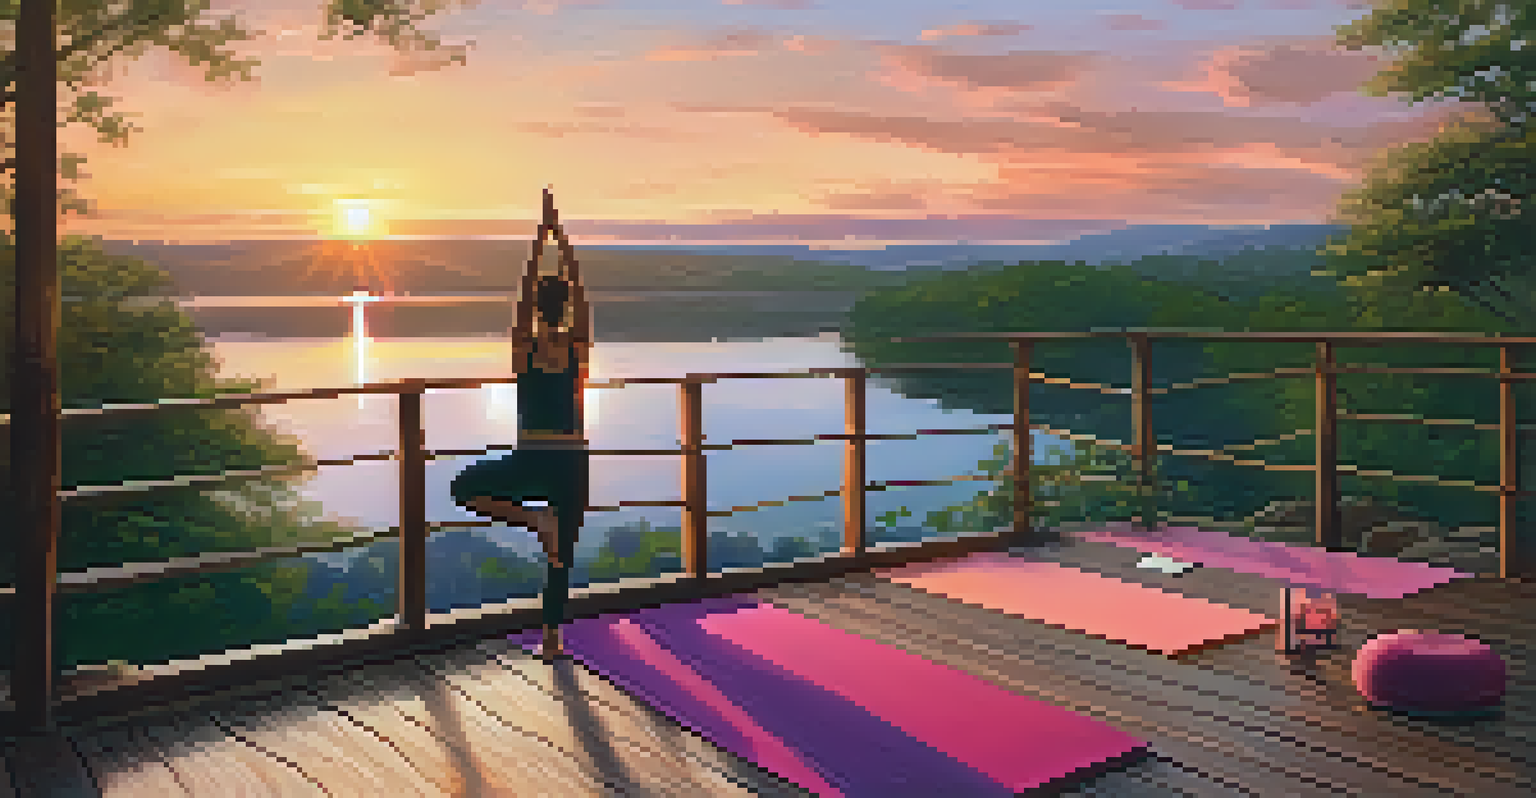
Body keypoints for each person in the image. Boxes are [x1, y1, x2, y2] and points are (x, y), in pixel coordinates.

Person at [453, 256, 590, 660]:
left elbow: (522, 306)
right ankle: (551, 638)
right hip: (570, 458)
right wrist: (562, 244)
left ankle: (533, 519)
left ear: (534, 309)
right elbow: (582, 306)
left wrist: (537, 248)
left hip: (531, 455)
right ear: (564, 308)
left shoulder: (525, 350)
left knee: (463, 488)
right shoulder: (575, 349)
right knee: (561, 551)